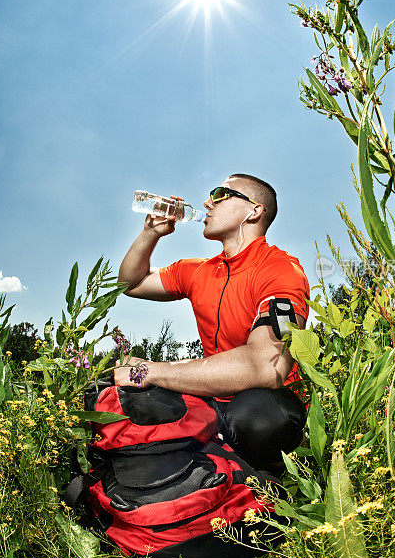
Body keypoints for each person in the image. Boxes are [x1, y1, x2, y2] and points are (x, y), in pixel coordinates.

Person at [114, 174, 310, 469]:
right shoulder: (197, 271)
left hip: (265, 407)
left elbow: (265, 367)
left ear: (254, 211)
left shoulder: (282, 270)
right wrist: (150, 233)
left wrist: (150, 371)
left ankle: (268, 482)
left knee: (257, 415)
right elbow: (130, 283)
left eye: (220, 194)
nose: (207, 202)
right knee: (120, 390)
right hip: (212, 394)